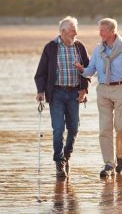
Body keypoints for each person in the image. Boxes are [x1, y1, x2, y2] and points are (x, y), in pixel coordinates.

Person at [74, 18, 122, 177]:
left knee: (120, 128)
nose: (100, 33)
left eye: (102, 30)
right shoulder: (98, 50)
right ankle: (108, 164)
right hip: (102, 90)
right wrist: (82, 70)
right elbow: (91, 70)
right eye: (99, 30)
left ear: (112, 31)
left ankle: (120, 155)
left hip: (120, 88)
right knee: (104, 128)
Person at [34, 16, 90, 178]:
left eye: (76, 30)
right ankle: (59, 162)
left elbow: (87, 69)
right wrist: (40, 91)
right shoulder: (50, 48)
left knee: (73, 128)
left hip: (74, 93)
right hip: (56, 93)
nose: (76, 33)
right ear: (63, 31)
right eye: (73, 30)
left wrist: (84, 89)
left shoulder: (79, 47)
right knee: (58, 129)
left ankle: (66, 156)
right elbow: (41, 73)